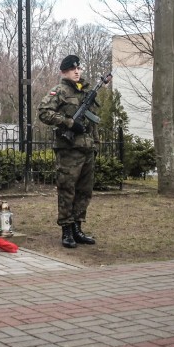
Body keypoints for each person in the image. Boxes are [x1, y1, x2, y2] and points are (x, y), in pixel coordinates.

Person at [37, 54, 98, 249]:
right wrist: (69, 123)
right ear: (64, 72)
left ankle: (78, 228)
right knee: (67, 191)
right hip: (69, 150)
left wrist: (95, 143)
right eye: (73, 69)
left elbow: (93, 121)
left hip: (87, 148)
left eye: (78, 68)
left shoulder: (86, 92)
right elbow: (44, 112)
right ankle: (67, 230)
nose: (77, 71)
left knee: (84, 191)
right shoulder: (59, 91)